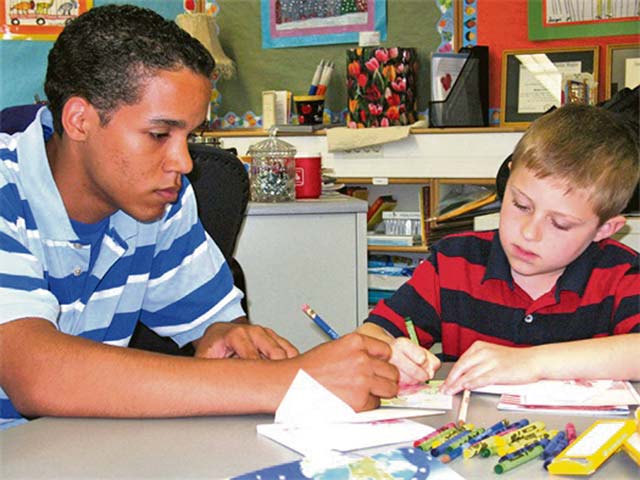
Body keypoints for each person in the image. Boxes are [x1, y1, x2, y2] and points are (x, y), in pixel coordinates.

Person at [0, 4, 398, 429]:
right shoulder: (9, 190)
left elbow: (215, 323)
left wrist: (225, 334)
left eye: (190, 136)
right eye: (159, 135)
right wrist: (285, 381)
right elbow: (39, 376)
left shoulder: (158, 199)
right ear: (80, 120)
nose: (184, 162)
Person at [357, 103, 640, 394]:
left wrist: (529, 363)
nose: (529, 232)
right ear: (509, 177)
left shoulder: (621, 273)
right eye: (521, 205)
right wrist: (391, 352)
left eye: (560, 224)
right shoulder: (454, 261)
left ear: (605, 229)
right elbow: (370, 335)